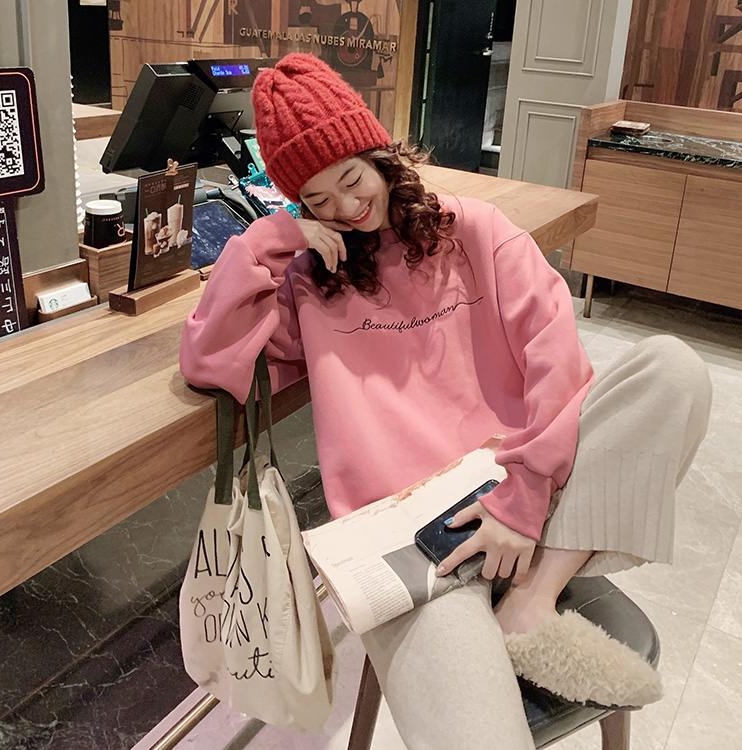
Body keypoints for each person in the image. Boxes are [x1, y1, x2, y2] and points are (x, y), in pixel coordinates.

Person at [179, 53, 712, 749]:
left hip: (524, 501)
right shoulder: (310, 279)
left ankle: (531, 601)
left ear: (378, 154)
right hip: (412, 542)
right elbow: (210, 359)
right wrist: (269, 236)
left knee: (672, 369)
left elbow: (557, 364)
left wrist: (522, 501)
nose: (345, 208)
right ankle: (512, 604)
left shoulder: (476, 231)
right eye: (316, 200)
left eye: (351, 179)